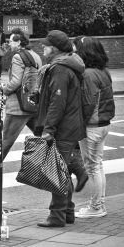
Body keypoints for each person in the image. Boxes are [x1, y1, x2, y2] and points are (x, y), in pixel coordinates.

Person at [34, 30, 86, 228]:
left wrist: (49, 129)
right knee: (62, 170)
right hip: (70, 126)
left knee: (56, 172)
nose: (43, 47)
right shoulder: (63, 65)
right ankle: (68, 212)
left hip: (64, 127)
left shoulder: (60, 69)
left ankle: (56, 217)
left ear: (55, 48)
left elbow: (57, 101)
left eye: (46, 45)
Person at [73, 36, 115, 218]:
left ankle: (96, 207)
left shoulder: (88, 74)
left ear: (85, 52)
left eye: (76, 49)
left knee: (92, 167)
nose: (74, 52)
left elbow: (88, 104)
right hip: (103, 124)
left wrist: (78, 125)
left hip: (92, 126)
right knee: (97, 165)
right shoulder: (104, 71)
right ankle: (98, 205)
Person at [1, 28, 42, 159]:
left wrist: (3, 89)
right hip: (33, 103)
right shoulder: (36, 56)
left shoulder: (18, 57)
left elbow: (16, 82)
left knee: (5, 141)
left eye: (11, 41)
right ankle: (67, 165)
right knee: (43, 137)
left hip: (18, 107)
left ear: (18, 42)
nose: (9, 44)